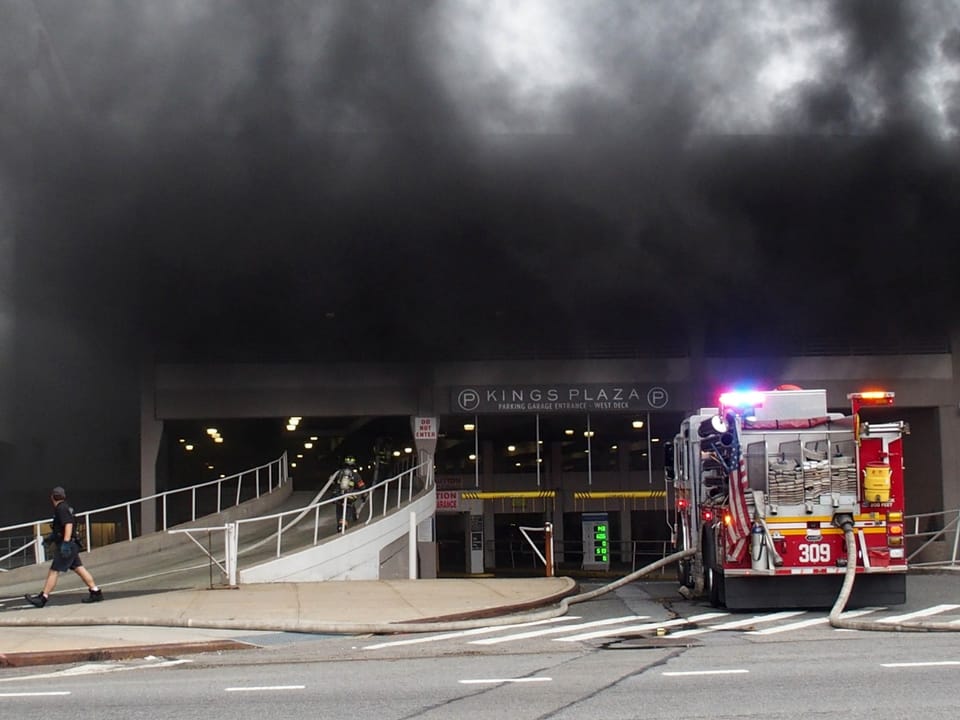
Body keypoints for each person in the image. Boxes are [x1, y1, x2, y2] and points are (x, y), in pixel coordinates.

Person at [25, 486, 103, 607]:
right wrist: (52, 538)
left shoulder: (61, 509)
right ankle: (96, 592)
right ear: (64, 496)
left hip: (67, 545)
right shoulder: (66, 507)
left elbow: (68, 525)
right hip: (71, 543)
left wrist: (65, 543)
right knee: (79, 568)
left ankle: (43, 598)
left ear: (52, 497)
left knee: (54, 570)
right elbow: (62, 527)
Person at [330, 456, 365, 532]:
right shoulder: (355, 475)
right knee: (348, 507)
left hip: (338, 495)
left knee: (339, 508)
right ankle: (343, 523)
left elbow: (331, 482)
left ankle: (340, 524)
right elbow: (362, 486)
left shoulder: (339, 473)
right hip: (349, 497)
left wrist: (334, 492)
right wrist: (364, 495)